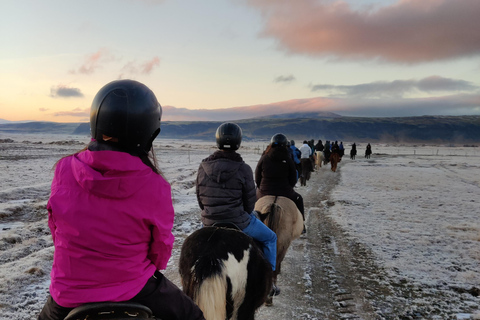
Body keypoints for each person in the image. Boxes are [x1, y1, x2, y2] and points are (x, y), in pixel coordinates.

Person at [38, 80, 205, 320]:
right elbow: (160, 251)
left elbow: (55, 229)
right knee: (194, 316)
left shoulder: (64, 169)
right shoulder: (156, 184)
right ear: (147, 133)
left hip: (68, 292)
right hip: (135, 288)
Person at [195, 123, 278, 275]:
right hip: (238, 222)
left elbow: (200, 198)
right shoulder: (244, 168)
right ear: (238, 142)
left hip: (209, 221)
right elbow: (249, 204)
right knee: (271, 238)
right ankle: (269, 278)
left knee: (196, 251)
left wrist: (210, 211)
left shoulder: (203, 166)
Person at [255, 133, 306, 232]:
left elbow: (257, 175)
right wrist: (289, 188)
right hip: (285, 192)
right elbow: (293, 178)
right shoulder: (288, 158)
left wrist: (260, 187)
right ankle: (302, 225)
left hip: (265, 191)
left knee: (251, 199)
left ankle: (248, 221)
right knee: (299, 199)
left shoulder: (264, 157)